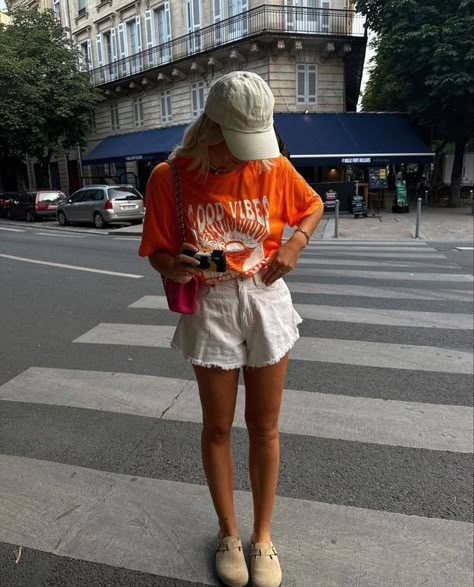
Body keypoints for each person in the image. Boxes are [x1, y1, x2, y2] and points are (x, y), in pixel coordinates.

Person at [139, 71, 323, 587]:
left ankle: (262, 538)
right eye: (236, 143)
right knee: (217, 427)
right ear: (211, 129)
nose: (246, 155)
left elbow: (312, 206)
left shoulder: (270, 165)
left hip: (265, 299)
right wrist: (172, 264)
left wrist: (294, 244)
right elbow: (157, 252)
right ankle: (227, 531)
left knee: (264, 427)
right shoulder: (168, 177)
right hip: (211, 305)